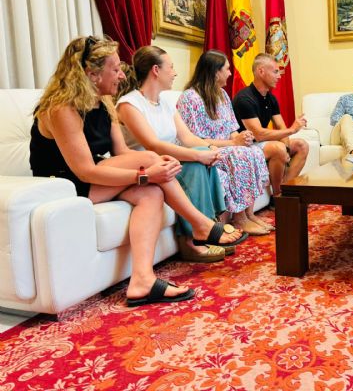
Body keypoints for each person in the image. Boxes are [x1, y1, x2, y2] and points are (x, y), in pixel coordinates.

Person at [29, 36, 237, 306]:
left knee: (151, 193)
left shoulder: (103, 103)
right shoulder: (62, 108)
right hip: (64, 185)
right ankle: (200, 224)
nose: (121, 74)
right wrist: (146, 172)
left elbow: (123, 154)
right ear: (91, 74)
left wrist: (153, 169)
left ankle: (142, 280)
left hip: (95, 176)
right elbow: (85, 171)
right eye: (114, 69)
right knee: (149, 164)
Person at [116, 45, 249, 264]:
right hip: (147, 166)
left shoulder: (166, 103)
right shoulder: (129, 104)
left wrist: (210, 150)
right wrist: (197, 156)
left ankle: (208, 224)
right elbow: (153, 144)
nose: (175, 72)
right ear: (156, 70)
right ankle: (190, 239)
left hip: (171, 160)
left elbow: (187, 138)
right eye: (171, 67)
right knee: (196, 162)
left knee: (202, 154)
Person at [176, 50, 272, 233]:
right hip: (204, 150)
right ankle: (240, 219)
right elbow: (194, 140)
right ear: (215, 72)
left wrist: (241, 137)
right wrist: (233, 144)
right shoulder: (190, 98)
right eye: (227, 69)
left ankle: (249, 214)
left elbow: (232, 131)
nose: (230, 73)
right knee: (239, 153)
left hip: (226, 147)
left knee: (253, 150)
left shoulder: (222, 95)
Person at [233, 53, 309, 197]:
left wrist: (287, 148)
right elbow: (259, 134)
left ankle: (286, 190)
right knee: (277, 148)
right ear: (261, 71)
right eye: (275, 71)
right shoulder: (244, 98)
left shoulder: (271, 98)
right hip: (244, 146)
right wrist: (292, 130)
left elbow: (281, 127)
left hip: (260, 144)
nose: (279, 76)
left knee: (301, 145)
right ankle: (278, 196)